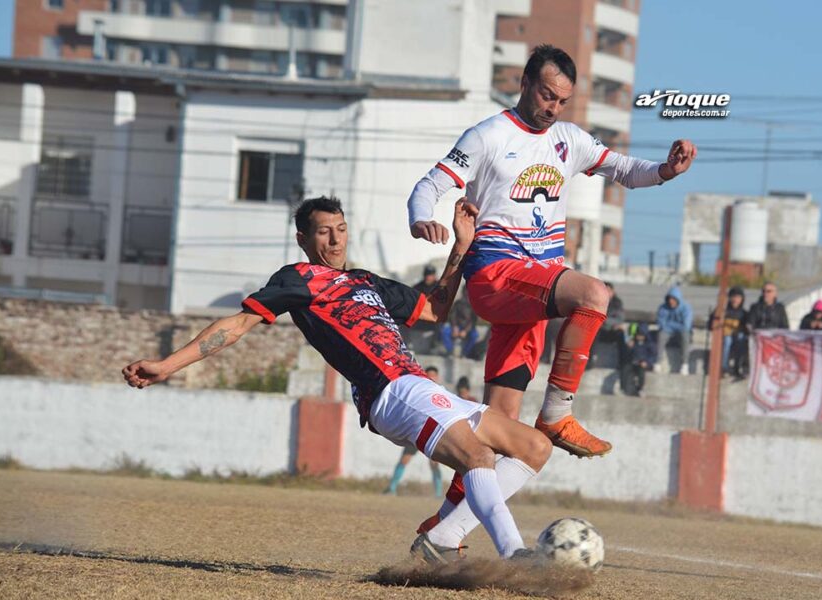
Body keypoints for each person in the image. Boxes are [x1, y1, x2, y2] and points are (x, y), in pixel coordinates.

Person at [121, 196, 551, 563]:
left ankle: (442, 539)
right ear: (303, 240)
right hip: (391, 391)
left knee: (534, 446)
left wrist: (462, 245)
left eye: (341, 229)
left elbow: (435, 310)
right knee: (478, 457)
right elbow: (236, 326)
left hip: (419, 384)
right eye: (324, 232)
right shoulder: (298, 278)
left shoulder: (366, 280)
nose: (335, 239)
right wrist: (167, 365)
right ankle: (516, 557)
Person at [406, 44, 696, 461]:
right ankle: (558, 414)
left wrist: (667, 170)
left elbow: (625, 170)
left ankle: (442, 529)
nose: (553, 108)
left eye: (563, 101)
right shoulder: (488, 135)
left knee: (504, 441)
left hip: (532, 295)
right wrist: (421, 219)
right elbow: (429, 186)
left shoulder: (569, 139)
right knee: (595, 294)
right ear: (524, 84)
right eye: (546, 95)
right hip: (497, 276)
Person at [385, 365, 445, 497]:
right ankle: (392, 488)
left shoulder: (441, 392)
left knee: (434, 464)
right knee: (404, 460)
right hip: (415, 431)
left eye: (433, 375)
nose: (431, 378)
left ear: (437, 377)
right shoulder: (420, 390)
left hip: (432, 433)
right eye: (429, 375)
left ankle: (439, 494)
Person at [710, 286, 747, 377]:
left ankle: (737, 367)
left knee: (741, 337)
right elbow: (711, 324)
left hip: (738, 339)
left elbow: (747, 328)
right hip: (725, 339)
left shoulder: (744, 313)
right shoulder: (722, 311)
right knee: (727, 340)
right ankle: (724, 367)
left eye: (738, 297)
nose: (735, 300)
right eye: (733, 297)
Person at [656, 285, 693, 374]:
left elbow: (686, 325)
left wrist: (671, 325)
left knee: (686, 335)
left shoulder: (686, 308)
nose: (670, 301)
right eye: (669, 299)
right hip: (668, 333)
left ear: (678, 299)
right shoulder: (663, 308)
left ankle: (685, 364)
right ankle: (657, 362)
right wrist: (674, 326)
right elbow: (661, 323)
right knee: (661, 334)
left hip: (681, 333)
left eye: (673, 299)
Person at [620, 325, 656, 396]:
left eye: (641, 335)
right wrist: (629, 347)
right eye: (638, 335)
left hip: (642, 363)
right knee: (625, 369)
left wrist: (647, 362)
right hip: (632, 362)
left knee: (641, 372)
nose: (639, 337)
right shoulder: (633, 343)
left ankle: (640, 389)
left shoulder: (648, 344)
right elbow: (626, 355)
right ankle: (622, 389)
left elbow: (653, 355)